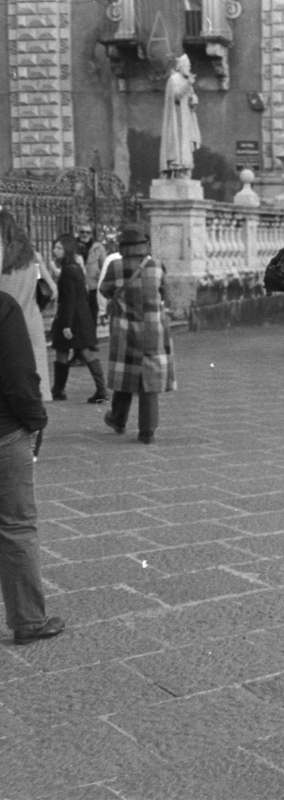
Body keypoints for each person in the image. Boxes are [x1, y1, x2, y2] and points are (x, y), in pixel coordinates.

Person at [0, 290, 65, 646]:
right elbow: (19, 376)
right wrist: (36, 418)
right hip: (4, 432)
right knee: (16, 526)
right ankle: (27, 620)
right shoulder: (2, 305)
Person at [100, 225, 176, 444]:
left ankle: (118, 419)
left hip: (125, 330)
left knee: (125, 374)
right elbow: (166, 294)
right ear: (145, 244)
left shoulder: (115, 266)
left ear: (122, 245)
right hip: (154, 329)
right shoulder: (157, 266)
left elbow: (105, 290)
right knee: (149, 379)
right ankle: (147, 431)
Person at [0, 210, 53, 402]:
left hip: (5, 324)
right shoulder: (31, 257)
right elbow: (51, 290)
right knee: (33, 384)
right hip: (30, 323)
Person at [48, 235, 107, 404]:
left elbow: (69, 299)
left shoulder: (68, 270)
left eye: (59, 248)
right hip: (80, 316)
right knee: (71, 350)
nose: (55, 251)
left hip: (71, 318)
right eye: (55, 247)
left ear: (67, 249)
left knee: (75, 351)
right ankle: (60, 389)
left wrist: (66, 325)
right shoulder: (75, 267)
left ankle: (62, 389)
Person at [161, 54, 201, 178]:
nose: (189, 68)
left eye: (189, 66)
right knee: (178, 143)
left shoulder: (186, 80)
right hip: (177, 118)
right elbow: (176, 96)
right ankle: (177, 168)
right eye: (187, 66)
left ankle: (185, 169)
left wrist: (193, 101)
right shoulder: (173, 79)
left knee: (186, 144)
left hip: (186, 117)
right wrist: (188, 84)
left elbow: (189, 99)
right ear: (180, 66)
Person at [76, 222, 106, 324]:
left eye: (87, 232)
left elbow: (104, 266)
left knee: (92, 316)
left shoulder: (98, 248)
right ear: (78, 232)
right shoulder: (73, 246)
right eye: (82, 232)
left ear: (91, 234)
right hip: (77, 286)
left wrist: (99, 277)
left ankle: (92, 333)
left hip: (93, 286)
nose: (85, 234)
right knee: (78, 317)